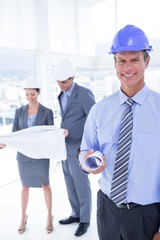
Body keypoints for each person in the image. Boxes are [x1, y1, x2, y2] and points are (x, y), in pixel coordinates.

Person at [80, 25, 160, 240]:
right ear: (114, 63)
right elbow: (86, 149)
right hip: (107, 207)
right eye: (121, 61)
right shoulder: (100, 110)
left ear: (147, 61)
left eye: (134, 60)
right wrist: (86, 160)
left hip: (147, 214)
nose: (128, 67)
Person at [1, 77, 54, 234]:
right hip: (24, 156)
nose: (30, 97)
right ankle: (23, 218)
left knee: (45, 186)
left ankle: (49, 217)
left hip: (41, 156)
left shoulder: (47, 112)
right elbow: (15, 135)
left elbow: (50, 134)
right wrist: (5, 143)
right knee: (24, 187)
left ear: (38, 93)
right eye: (27, 94)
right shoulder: (19, 112)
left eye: (33, 94)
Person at [54, 59, 95, 237]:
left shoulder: (84, 94)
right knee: (69, 183)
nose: (61, 85)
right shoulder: (61, 94)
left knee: (81, 184)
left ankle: (85, 219)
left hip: (79, 147)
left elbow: (94, 121)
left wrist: (85, 147)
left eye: (64, 82)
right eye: (58, 82)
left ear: (72, 77)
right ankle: (75, 213)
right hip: (64, 147)